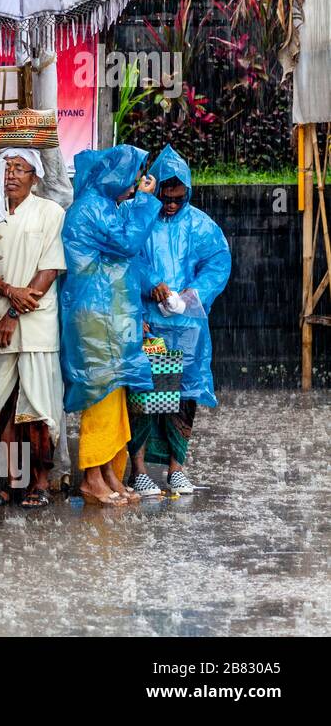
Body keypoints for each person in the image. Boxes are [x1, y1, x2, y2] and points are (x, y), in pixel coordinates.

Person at [60, 145, 160, 507]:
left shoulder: (104, 206)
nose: (135, 183)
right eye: (132, 176)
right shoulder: (90, 208)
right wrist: (146, 202)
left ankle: (109, 473)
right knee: (99, 391)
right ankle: (91, 477)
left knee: (114, 388)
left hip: (109, 314)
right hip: (93, 316)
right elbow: (128, 241)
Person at [130, 145, 231, 496]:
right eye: (166, 196)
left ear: (187, 193)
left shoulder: (201, 225)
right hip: (151, 324)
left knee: (184, 396)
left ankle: (177, 468)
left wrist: (192, 294)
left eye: (178, 197)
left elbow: (218, 264)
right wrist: (150, 286)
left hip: (187, 327)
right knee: (146, 395)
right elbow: (129, 259)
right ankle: (139, 469)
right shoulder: (141, 219)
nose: (170, 204)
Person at [0, 149, 66, 508]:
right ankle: (13, 481)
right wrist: (9, 291)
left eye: (19, 169)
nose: (11, 175)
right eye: (6, 168)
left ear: (35, 177)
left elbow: (50, 267)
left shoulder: (50, 212)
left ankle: (39, 483)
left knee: (38, 407)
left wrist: (13, 311)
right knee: (3, 408)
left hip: (35, 323)